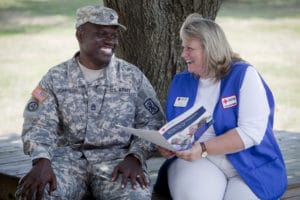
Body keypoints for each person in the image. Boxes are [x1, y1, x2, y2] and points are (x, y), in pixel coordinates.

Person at [15, 5, 164, 200]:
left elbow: (152, 123)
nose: (110, 40)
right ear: (80, 35)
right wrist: (41, 160)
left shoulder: (131, 76)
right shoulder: (56, 77)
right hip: (67, 162)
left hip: (118, 162)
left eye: (114, 34)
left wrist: (136, 156)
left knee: (135, 197)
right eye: (101, 33)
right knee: (36, 193)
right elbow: (38, 124)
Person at [153, 13, 287, 200]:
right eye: (183, 48)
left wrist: (203, 147)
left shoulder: (243, 75)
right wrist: (169, 144)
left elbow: (251, 132)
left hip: (249, 165)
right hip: (199, 161)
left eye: (190, 48)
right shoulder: (181, 81)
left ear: (209, 49)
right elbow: (177, 127)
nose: (183, 54)